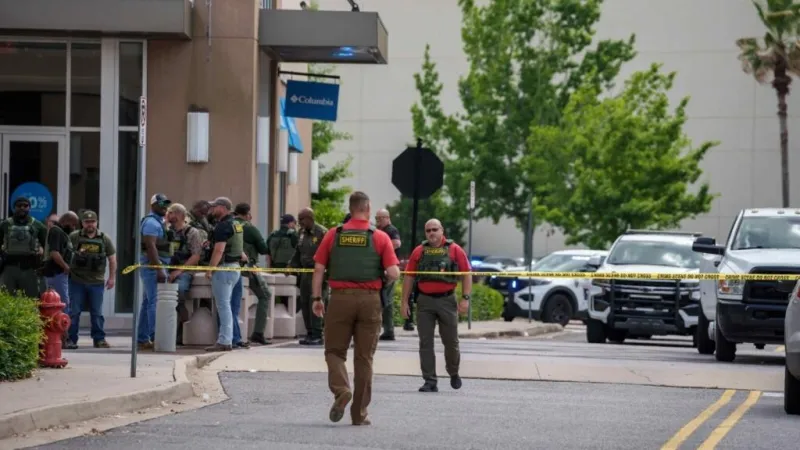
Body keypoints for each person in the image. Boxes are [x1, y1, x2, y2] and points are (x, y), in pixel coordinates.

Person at [312, 191, 400, 426]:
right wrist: (382, 282)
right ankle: (359, 415)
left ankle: (341, 390)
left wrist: (316, 298)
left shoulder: (333, 234)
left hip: (339, 299)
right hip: (369, 301)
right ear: (368, 209)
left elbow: (319, 269)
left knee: (334, 352)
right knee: (364, 358)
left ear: (350, 209)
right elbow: (394, 273)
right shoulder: (380, 237)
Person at [401, 218, 471, 393]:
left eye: (434, 229)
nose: (431, 233)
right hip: (424, 301)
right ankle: (430, 380)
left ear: (442, 231)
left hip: (447, 300)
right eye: (428, 230)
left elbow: (467, 273)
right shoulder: (419, 251)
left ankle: (453, 372)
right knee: (425, 342)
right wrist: (404, 302)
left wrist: (465, 298)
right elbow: (409, 277)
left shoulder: (455, 250)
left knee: (451, 342)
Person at [65, 210, 116, 349]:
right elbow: (65, 254)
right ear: (82, 223)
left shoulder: (104, 238)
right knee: (74, 312)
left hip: (97, 282)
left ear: (96, 222)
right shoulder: (74, 237)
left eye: (92, 221)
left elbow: (112, 259)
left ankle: (99, 339)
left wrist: (112, 278)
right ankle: (71, 339)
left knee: (97, 313)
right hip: (77, 280)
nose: (90, 224)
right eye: (87, 222)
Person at [205, 197, 244, 352]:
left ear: (222, 208)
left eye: (214, 207)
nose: (212, 210)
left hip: (224, 269)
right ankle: (228, 339)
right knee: (227, 305)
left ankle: (224, 341)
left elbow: (219, 250)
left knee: (223, 306)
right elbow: (238, 248)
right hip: (235, 268)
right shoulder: (237, 224)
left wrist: (210, 269)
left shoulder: (223, 226)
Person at [230, 202, 272, 347]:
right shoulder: (249, 228)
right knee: (265, 295)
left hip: (228, 267)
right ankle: (258, 333)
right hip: (247, 267)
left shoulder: (229, 224)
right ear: (247, 214)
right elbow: (263, 248)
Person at [166, 203, 206, 345]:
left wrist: (179, 271)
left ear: (179, 216)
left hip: (184, 271)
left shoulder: (192, 232)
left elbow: (196, 256)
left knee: (179, 292)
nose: (168, 216)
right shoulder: (167, 231)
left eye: (171, 213)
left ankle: (181, 329)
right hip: (167, 270)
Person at [137, 193, 173, 350]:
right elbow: (150, 246)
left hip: (156, 265)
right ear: (152, 205)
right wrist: (158, 269)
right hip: (153, 266)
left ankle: (143, 338)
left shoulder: (159, 222)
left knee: (147, 302)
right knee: (154, 302)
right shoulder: (151, 223)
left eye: (166, 203)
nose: (164, 206)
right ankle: (155, 337)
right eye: (161, 204)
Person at [290, 207, 327, 346]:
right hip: (305, 273)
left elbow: (329, 253)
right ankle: (310, 333)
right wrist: (291, 265)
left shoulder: (322, 232)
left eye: (302, 219)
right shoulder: (301, 233)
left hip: (318, 274)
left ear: (310, 218)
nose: (300, 223)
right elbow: (297, 252)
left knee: (315, 302)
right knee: (305, 303)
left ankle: (318, 334)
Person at [42, 211, 79, 348]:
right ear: (66, 221)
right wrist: (66, 266)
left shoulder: (61, 233)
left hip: (59, 274)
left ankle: (62, 339)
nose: (74, 228)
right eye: (73, 224)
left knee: (62, 306)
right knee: (62, 306)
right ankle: (63, 339)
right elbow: (54, 253)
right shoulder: (56, 231)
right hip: (55, 274)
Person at [0, 197, 47, 298]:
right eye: (19, 206)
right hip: (9, 267)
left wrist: (43, 263)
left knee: (32, 301)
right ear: (14, 208)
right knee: (7, 300)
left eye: (25, 206)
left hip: (30, 268)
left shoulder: (37, 225)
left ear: (29, 208)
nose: (22, 208)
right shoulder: (5, 224)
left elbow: (47, 246)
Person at [375, 208, 401, 340]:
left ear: (387, 217)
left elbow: (397, 243)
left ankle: (389, 330)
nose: (378, 221)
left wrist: (382, 246)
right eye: (376, 218)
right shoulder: (381, 231)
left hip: (389, 270)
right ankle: (387, 329)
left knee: (386, 300)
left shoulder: (391, 230)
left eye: (380, 218)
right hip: (384, 269)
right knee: (382, 299)